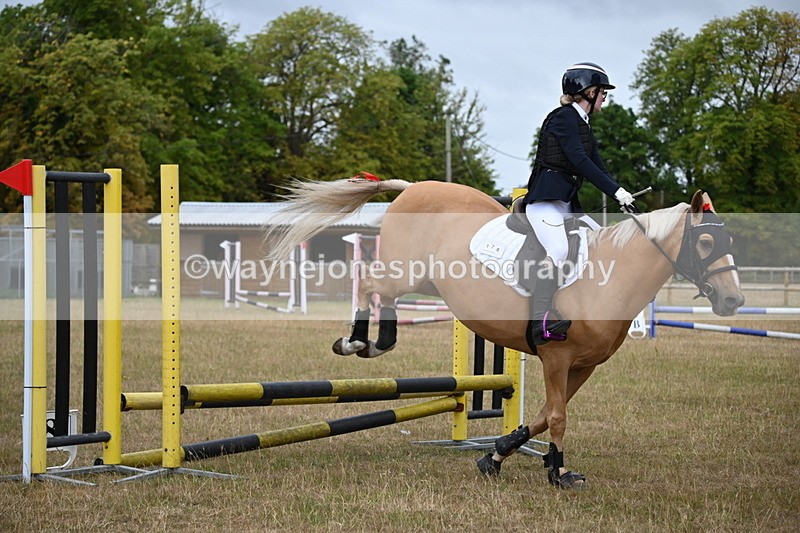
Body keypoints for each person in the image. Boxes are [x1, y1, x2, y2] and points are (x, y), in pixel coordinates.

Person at [522, 62, 638, 346]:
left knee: (600, 241)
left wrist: (622, 194)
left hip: (566, 205)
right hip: (545, 202)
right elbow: (580, 161)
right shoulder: (563, 118)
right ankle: (540, 321)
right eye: (603, 92)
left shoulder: (583, 125)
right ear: (587, 92)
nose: (605, 98)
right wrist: (614, 191)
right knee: (559, 249)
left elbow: (598, 165)